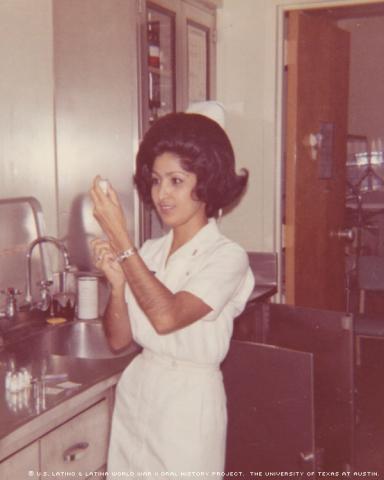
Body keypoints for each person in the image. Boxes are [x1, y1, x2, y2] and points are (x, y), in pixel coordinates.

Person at [90, 111, 255, 476]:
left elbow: (167, 317)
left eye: (176, 180)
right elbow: (119, 340)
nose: (162, 194)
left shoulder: (227, 257)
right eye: (156, 181)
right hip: (138, 392)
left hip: (188, 405)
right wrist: (117, 288)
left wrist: (120, 240)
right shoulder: (149, 251)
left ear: (207, 184)